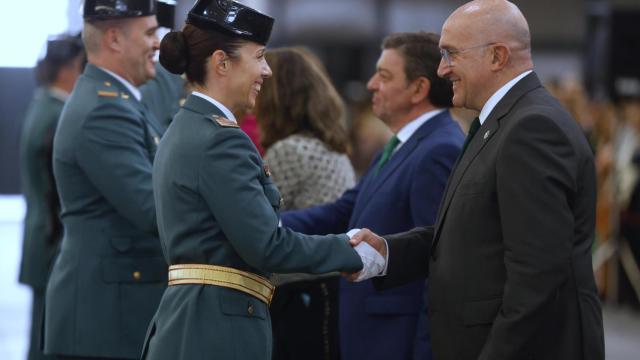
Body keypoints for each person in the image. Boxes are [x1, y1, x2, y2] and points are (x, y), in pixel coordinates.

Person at [351, 1, 605, 359]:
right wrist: (389, 252)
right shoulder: (501, 122)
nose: (442, 69)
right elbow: (473, 232)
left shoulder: (532, 128)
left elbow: (537, 277)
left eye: (451, 54)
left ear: (497, 57)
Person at [140, 1, 380, 359]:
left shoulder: (188, 126)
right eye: (259, 57)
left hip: (197, 322)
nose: (266, 71)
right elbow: (267, 245)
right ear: (221, 62)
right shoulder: (220, 139)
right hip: (217, 330)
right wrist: (351, 252)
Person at [282, 32, 464, 360]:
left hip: (395, 341)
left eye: (384, 75)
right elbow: (342, 212)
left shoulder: (440, 149)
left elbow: (438, 265)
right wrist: (261, 225)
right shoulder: (405, 145)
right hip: (369, 335)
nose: (370, 85)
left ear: (419, 88)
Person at [45, 1, 167, 359]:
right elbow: (151, 209)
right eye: (148, 32)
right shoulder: (105, 109)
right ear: (114, 39)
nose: (157, 42)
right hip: (105, 320)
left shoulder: (121, 100)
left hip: (115, 309)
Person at [254, 47, 357, 360]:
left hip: (300, 293)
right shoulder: (330, 147)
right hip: (328, 289)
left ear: (277, 95)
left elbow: (263, 227)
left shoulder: (289, 151)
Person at [18, 34, 84, 360]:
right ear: (69, 69)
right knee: (46, 341)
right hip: (50, 237)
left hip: (40, 234)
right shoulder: (57, 115)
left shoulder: (42, 104)